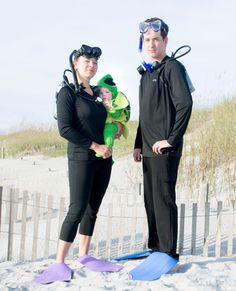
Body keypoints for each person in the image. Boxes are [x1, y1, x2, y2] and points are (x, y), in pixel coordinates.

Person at [34, 44, 123, 284]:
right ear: (75, 62)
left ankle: (84, 255)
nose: (92, 65)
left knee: (93, 207)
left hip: (104, 159)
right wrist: (94, 146)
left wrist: (117, 128)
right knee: (77, 207)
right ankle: (59, 262)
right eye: (87, 61)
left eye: (95, 62)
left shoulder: (98, 93)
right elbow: (65, 129)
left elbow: (109, 119)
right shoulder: (67, 92)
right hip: (81, 156)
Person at [133, 18, 193, 261]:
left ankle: (168, 252)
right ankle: (156, 247)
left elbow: (185, 104)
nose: (151, 44)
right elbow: (145, 113)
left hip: (164, 149)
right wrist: (138, 142)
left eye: (156, 39)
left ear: (165, 41)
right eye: (147, 40)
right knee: (151, 200)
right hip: (147, 149)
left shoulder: (173, 68)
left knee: (164, 198)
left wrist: (171, 139)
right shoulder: (146, 73)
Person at [96, 74, 130, 157]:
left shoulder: (116, 102)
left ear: (113, 92)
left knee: (109, 131)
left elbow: (117, 114)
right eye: (101, 93)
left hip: (113, 123)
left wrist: (110, 107)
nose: (104, 94)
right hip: (106, 123)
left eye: (107, 92)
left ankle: (108, 148)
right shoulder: (100, 102)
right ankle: (109, 158)